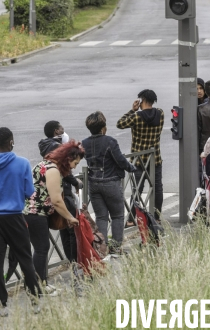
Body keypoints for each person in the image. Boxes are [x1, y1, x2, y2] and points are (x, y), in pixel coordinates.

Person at [0, 127, 42, 315]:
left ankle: (2, 304)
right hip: (15, 217)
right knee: (25, 259)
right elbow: (29, 191)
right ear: (11, 141)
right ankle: (35, 301)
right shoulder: (22, 163)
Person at [24, 141, 82, 294]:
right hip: (35, 213)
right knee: (41, 249)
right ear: (68, 158)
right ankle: (37, 287)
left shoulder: (46, 164)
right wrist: (70, 217)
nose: (74, 167)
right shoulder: (53, 170)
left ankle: (39, 284)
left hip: (32, 212)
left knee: (41, 248)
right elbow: (56, 200)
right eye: (75, 162)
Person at [82, 111, 136, 255]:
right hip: (110, 182)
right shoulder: (110, 141)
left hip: (93, 184)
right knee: (117, 215)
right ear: (103, 127)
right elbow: (120, 160)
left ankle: (101, 249)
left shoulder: (85, 143)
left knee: (101, 217)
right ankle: (116, 247)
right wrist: (131, 167)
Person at [117, 89, 165, 222]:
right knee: (157, 188)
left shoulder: (136, 116)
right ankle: (156, 217)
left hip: (138, 160)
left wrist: (132, 110)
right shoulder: (160, 113)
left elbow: (120, 123)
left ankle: (132, 218)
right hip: (155, 158)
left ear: (142, 100)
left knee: (137, 189)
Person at [38, 120, 81, 264]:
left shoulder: (45, 146)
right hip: (62, 193)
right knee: (72, 227)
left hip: (51, 195)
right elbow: (64, 169)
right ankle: (75, 260)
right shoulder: (57, 148)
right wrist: (75, 182)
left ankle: (71, 260)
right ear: (56, 131)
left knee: (64, 228)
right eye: (61, 127)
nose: (64, 129)